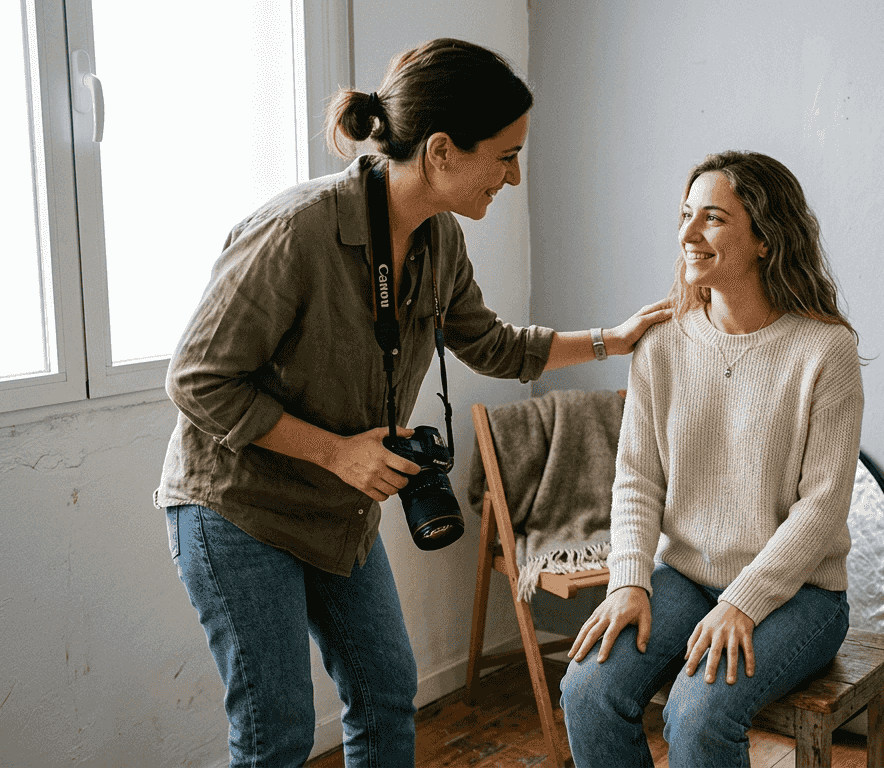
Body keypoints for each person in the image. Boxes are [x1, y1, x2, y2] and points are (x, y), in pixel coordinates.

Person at [155, 38, 669, 767]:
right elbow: (196, 379)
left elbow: (490, 344)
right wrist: (338, 453)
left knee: (386, 694)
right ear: (441, 151)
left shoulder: (440, 239)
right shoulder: (295, 231)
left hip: (336, 509)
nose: (515, 176)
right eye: (505, 155)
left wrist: (610, 341)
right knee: (278, 731)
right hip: (238, 507)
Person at [560, 151, 864, 768]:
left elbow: (823, 506)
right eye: (685, 215)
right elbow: (637, 478)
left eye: (713, 218)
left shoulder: (825, 349)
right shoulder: (662, 342)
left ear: (765, 239)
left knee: (698, 715)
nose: (688, 234)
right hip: (687, 577)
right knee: (588, 692)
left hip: (802, 595)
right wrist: (628, 580)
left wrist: (743, 602)